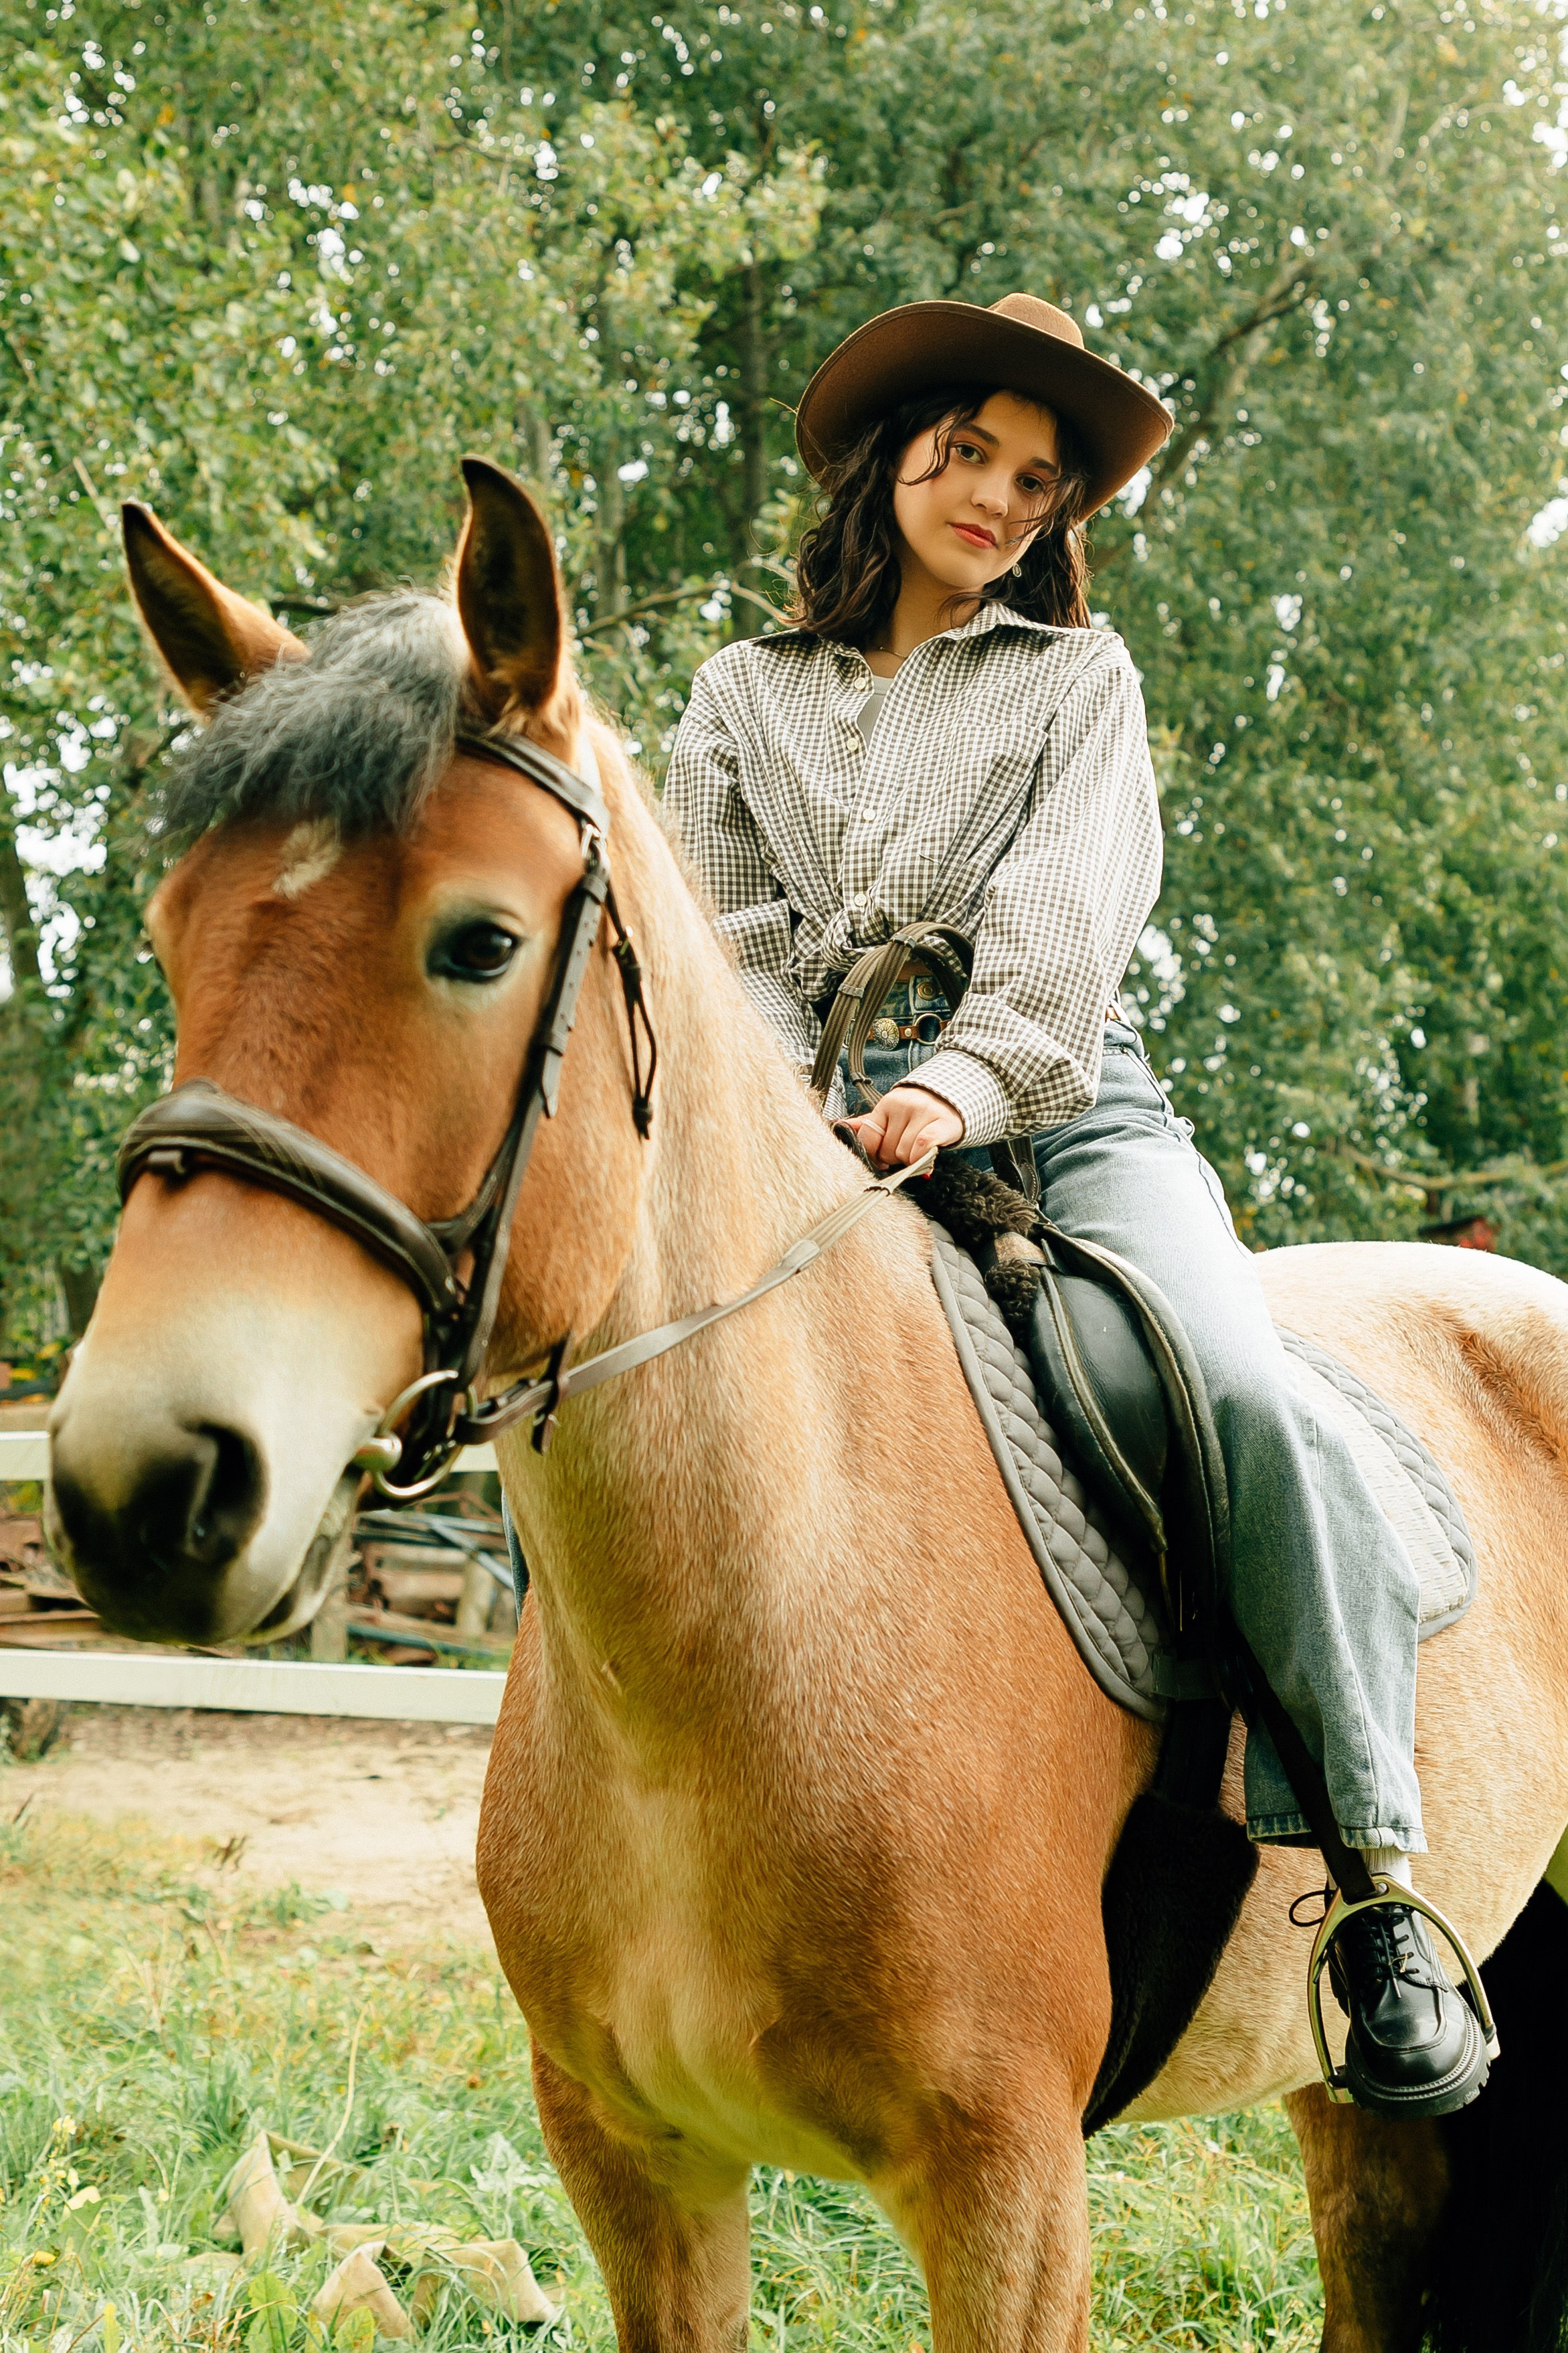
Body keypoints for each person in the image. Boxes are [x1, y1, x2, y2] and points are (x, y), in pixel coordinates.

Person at [663, 291, 1488, 2121]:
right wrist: (797, 1115)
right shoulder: (739, 696)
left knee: (1235, 1393)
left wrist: (953, 1084)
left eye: (1036, 482)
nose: (997, 498)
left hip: (1060, 1110)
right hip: (805, 1120)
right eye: (969, 452)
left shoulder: (1075, 684)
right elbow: (727, 950)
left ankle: (1376, 1886)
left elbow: (1062, 936)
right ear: (895, 460)